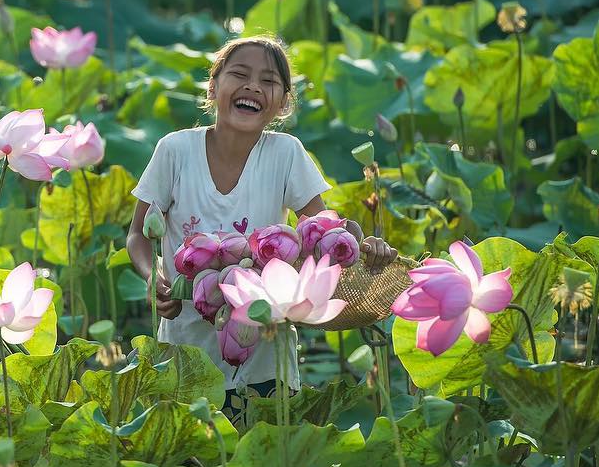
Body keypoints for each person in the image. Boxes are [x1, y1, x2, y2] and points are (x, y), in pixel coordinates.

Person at [126, 35, 397, 403]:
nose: (252, 86)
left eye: (268, 81)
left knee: (265, 450)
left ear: (283, 103)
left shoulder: (286, 154)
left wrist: (363, 245)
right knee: (188, 457)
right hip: (183, 347)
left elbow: (326, 234)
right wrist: (152, 278)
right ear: (213, 86)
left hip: (267, 353)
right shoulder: (174, 150)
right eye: (239, 74)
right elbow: (138, 237)